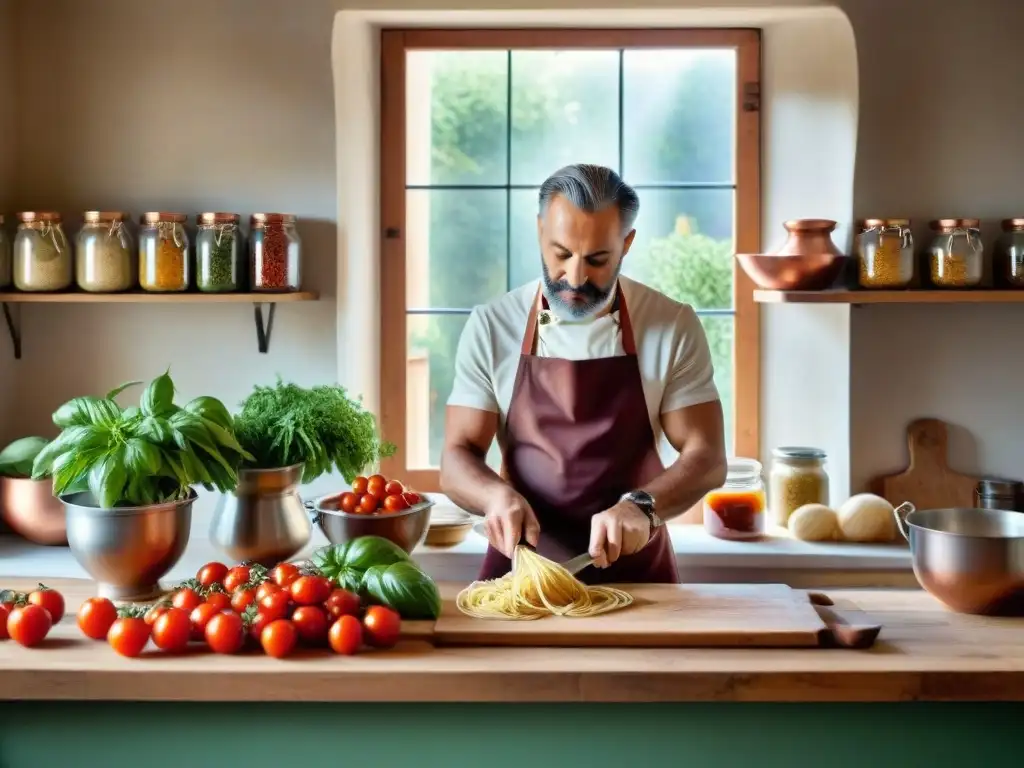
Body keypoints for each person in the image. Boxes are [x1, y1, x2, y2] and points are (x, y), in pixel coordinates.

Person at [440, 163, 727, 584]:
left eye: (596, 259)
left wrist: (643, 506)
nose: (575, 276)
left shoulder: (671, 325)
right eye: (561, 254)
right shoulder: (492, 325)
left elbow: (706, 457)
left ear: (626, 244)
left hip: (636, 575)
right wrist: (493, 496)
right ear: (540, 232)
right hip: (520, 576)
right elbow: (456, 455)